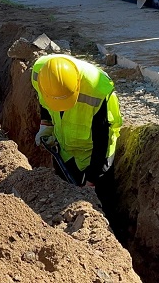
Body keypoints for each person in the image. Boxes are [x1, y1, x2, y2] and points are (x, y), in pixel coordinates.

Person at [31, 54, 122, 217]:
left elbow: (102, 139)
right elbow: (43, 101)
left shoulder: (97, 91)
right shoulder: (40, 73)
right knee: (63, 194)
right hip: (65, 148)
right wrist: (46, 124)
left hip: (94, 150)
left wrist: (92, 180)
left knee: (101, 202)